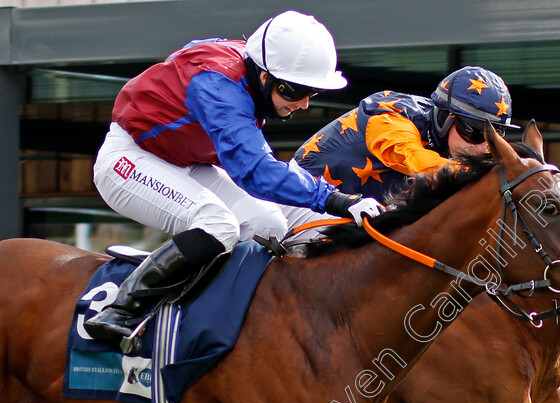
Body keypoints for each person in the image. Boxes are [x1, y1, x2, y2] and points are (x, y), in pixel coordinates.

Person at [84, 11, 382, 351]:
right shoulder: (219, 86)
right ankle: (120, 312)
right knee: (218, 224)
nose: (302, 103)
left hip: (185, 161)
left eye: (310, 92)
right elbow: (256, 172)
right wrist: (338, 199)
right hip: (129, 158)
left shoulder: (249, 63)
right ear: (265, 76)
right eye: (293, 91)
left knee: (267, 224)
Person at [293, 66, 519, 201]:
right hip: (299, 200)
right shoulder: (390, 118)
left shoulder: (442, 142)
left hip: (350, 209)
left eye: (495, 137)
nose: (485, 148)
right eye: (476, 133)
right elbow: (416, 161)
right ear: (444, 118)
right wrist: (489, 175)